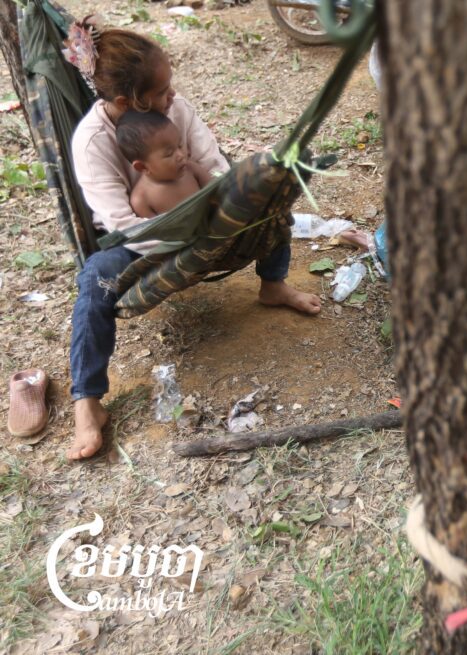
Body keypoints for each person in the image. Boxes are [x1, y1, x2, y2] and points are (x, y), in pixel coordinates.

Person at [64, 20, 322, 461]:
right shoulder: (92, 143)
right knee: (94, 283)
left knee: (268, 194)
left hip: (205, 215)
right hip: (142, 240)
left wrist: (226, 213)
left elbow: (213, 163)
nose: (173, 96)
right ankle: (87, 401)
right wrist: (184, 248)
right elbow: (122, 222)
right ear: (127, 103)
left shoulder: (175, 110)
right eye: (162, 91)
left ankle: (272, 284)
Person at [115, 109, 212, 218]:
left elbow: (218, 191)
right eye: (169, 154)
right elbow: (155, 233)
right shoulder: (141, 199)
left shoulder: (192, 170)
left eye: (180, 145)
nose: (181, 155)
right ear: (142, 167)